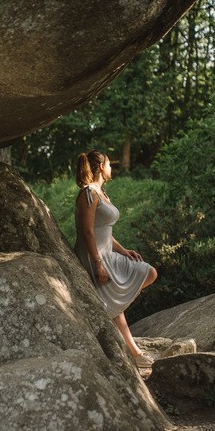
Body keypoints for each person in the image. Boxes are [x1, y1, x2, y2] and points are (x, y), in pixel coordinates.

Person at [74, 150, 158, 369]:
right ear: (101, 167)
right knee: (117, 301)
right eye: (110, 164)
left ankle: (134, 351)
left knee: (148, 272)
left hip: (108, 253)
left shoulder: (101, 193)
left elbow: (106, 232)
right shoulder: (88, 193)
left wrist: (124, 250)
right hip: (95, 257)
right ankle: (136, 354)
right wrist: (99, 263)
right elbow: (87, 232)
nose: (112, 168)